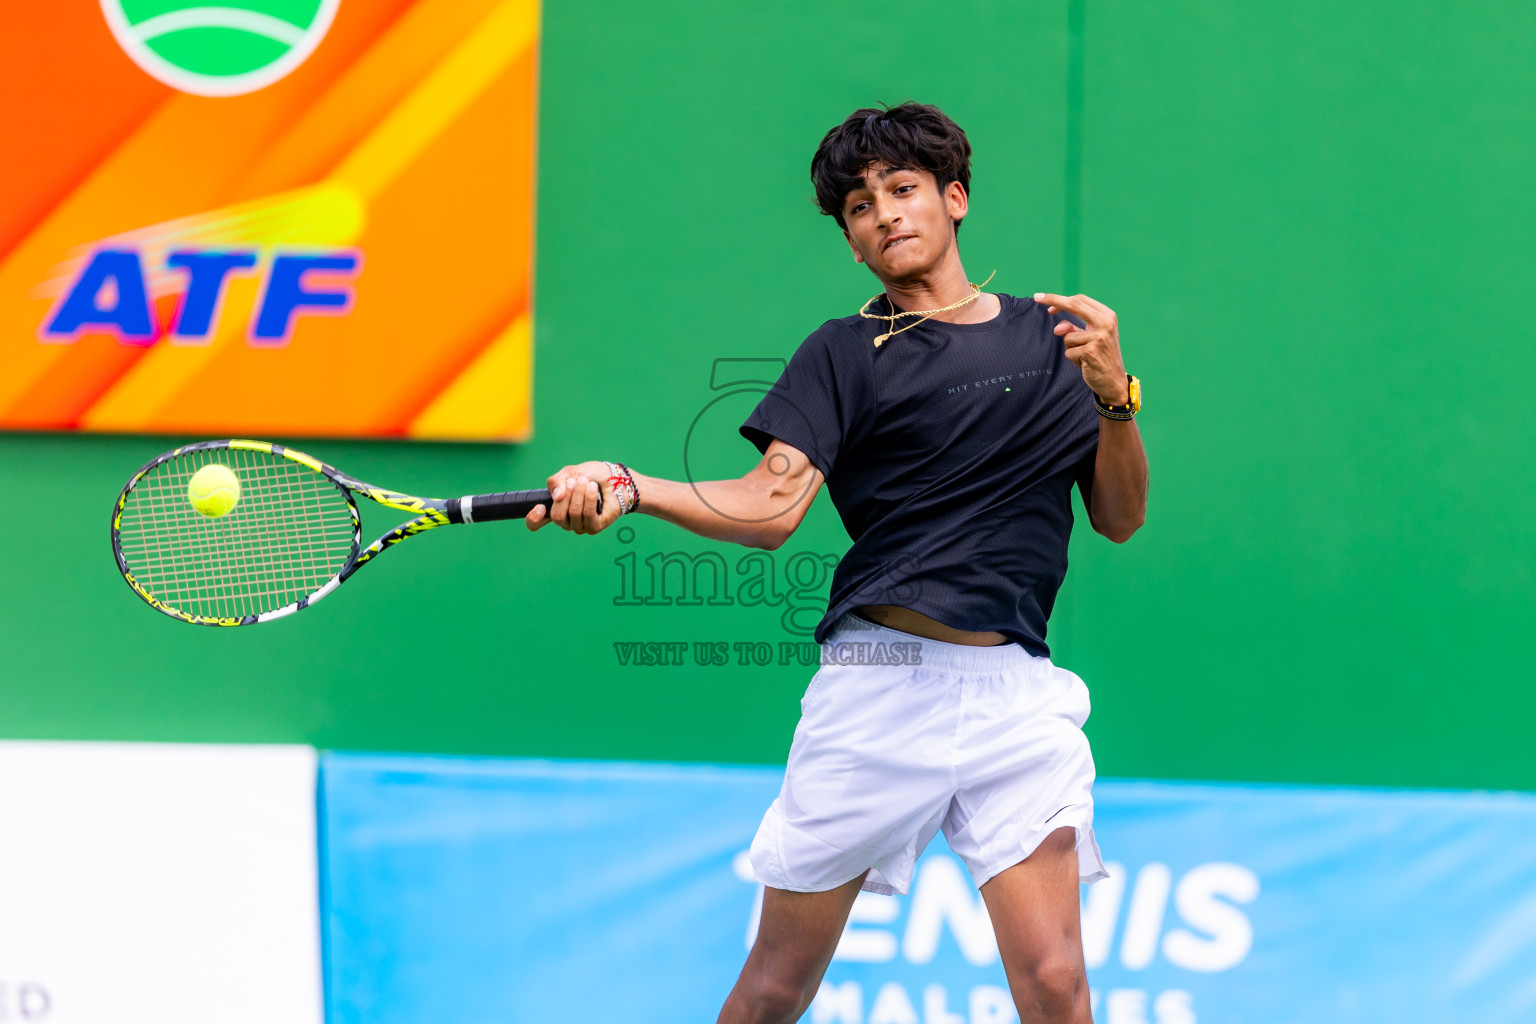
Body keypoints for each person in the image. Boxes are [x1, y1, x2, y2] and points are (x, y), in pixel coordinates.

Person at [526, 101, 1148, 1024]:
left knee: (1057, 983)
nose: (885, 213)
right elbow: (770, 504)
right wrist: (632, 484)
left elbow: (1120, 517)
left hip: (1018, 695)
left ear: (955, 199)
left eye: (903, 190)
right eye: (859, 207)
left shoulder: (1058, 342)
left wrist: (1114, 397)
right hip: (880, 687)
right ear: (852, 244)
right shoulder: (844, 354)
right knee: (778, 986)